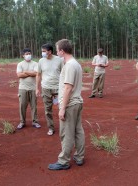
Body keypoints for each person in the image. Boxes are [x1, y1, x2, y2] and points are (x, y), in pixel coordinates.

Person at [48, 39, 85, 170]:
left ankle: (63, 161)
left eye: (57, 50)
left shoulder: (69, 65)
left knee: (66, 133)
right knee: (78, 130)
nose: (56, 52)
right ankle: (79, 156)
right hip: (77, 102)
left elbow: (68, 88)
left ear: (62, 52)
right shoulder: (76, 64)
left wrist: (62, 108)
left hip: (70, 104)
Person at [36, 43, 63, 136]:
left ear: (50, 51)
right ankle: (51, 128)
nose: (42, 53)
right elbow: (38, 75)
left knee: (62, 108)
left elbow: (63, 74)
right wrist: (37, 88)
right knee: (48, 109)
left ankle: (64, 128)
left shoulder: (59, 60)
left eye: (44, 51)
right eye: (42, 51)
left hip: (58, 88)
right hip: (46, 88)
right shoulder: (41, 61)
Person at [16, 48, 40, 129]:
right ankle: (22, 122)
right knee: (22, 105)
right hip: (22, 88)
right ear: (23, 55)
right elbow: (19, 75)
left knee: (34, 106)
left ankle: (35, 122)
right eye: (26, 54)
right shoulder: (20, 64)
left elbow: (37, 73)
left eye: (29, 53)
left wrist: (25, 72)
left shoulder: (35, 63)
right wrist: (31, 73)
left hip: (33, 88)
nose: (28, 55)